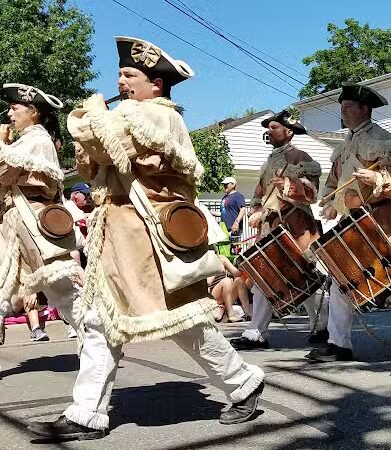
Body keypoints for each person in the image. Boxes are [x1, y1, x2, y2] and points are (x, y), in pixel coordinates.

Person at [27, 37, 265, 441]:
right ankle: (86, 414)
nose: (120, 82)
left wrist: (94, 116)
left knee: (181, 322)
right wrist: (93, 123)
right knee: (101, 324)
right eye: (120, 74)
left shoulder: (160, 116)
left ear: (156, 84)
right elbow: (94, 156)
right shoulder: (131, 114)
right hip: (117, 232)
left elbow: (108, 143)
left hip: (148, 236)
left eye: (129, 75)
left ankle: (242, 383)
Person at [307, 83, 391, 362]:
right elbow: (333, 182)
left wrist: (379, 180)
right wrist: (329, 202)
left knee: (389, 280)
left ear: (365, 109)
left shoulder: (385, 141)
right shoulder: (343, 147)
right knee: (344, 278)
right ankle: (339, 344)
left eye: (348, 107)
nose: (344, 113)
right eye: (342, 108)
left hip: (380, 220)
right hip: (351, 222)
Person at [230, 109, 329, 349]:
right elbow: (259, 193)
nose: (269, 131)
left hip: (296, 226)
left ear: (289, 131)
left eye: (274, 127)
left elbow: (312, 195)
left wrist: (289, 186)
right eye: (268, 128)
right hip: (271, 227)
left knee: (304, 278)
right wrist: (255, 210)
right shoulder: (269, 162)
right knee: (267, 276)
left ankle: (324, 323)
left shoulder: (303, 159)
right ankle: (257, 332)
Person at [0, 83, 81, 350]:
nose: (9, 114)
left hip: (32, 222)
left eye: (14, 108)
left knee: (64, 290)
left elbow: (6, 173)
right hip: (16, 225)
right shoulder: (26, 141)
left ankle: (96, 337)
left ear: (33, 111)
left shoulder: (38, 140)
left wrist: (2, 146)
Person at [218, 176, 246, 241]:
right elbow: (222, 213)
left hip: (233, 228)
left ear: (233, 185)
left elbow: (242, 209)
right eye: (224, 184)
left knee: (234, 249)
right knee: (224, 249)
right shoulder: (224, 198)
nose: (224, 186)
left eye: (226, 184)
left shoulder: (238, 196)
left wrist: (237, 222)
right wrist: (209, 212)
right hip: (224, 228)